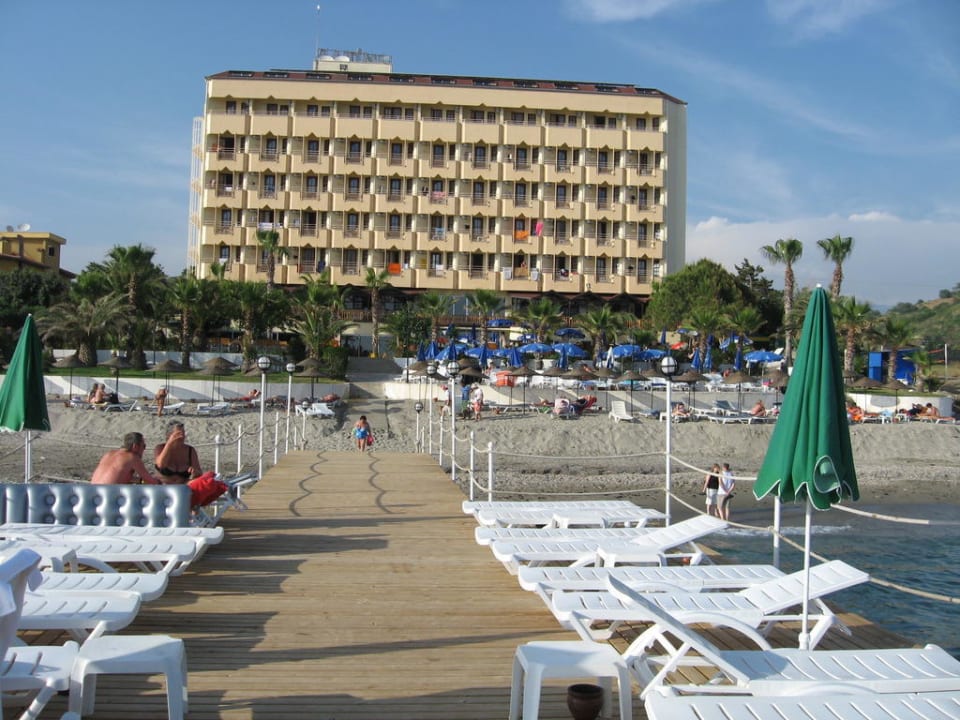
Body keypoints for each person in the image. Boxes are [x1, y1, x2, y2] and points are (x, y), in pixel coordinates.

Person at [92, 432, 164, 485]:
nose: (144, 449)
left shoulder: (108, 454)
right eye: (143, 446)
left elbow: (116, 476)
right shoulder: (132, 457)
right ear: (135, 446)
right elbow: (151, 481)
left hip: (92, 491)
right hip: (108, 495)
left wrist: (141, 481)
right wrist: (161, 482)